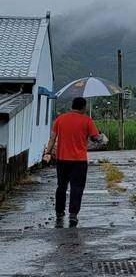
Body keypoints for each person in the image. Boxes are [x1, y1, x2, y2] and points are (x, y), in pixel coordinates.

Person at [42, 97, 104, 227]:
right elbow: (96, 138)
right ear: (83, 107)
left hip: (62, 159)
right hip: (79, 161)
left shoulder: (60, 119)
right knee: (77, 187)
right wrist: (99, 135)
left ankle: (59, 212)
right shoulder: (87, 120)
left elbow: (52, 138)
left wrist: (47, 153)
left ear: (72, 106)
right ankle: (73, 215)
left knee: (61, 186)